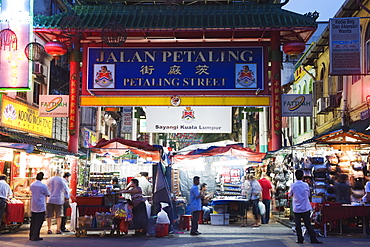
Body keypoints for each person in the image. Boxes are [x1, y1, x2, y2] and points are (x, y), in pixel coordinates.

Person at [289, 170, 322, 244]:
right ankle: (313, 238)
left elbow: (290, 194)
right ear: (302, 176)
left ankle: (300, 239)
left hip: (297, 208)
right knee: (307, 224)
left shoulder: (293, 185)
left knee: (298, 225)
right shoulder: (305, 185)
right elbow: (308, 195)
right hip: (305, 207)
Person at [46, 170, 70, 235]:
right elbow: (66, 190)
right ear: (60, 174)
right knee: (59, 215)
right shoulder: (62, 180)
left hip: (50, 199)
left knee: (49, 215)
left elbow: (46, 189)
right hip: (59, 199)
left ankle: (49, 229)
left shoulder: (49, 180)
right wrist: (67, 197)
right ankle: (58, 229)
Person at [29, 172, 50, 241]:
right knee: (39, 221)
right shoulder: (43, 186)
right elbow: (48, 194)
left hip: (33, 205)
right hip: (40, 205)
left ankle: (31, 235)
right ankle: (36, 235)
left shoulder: (32, 185)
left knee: (33, 221)